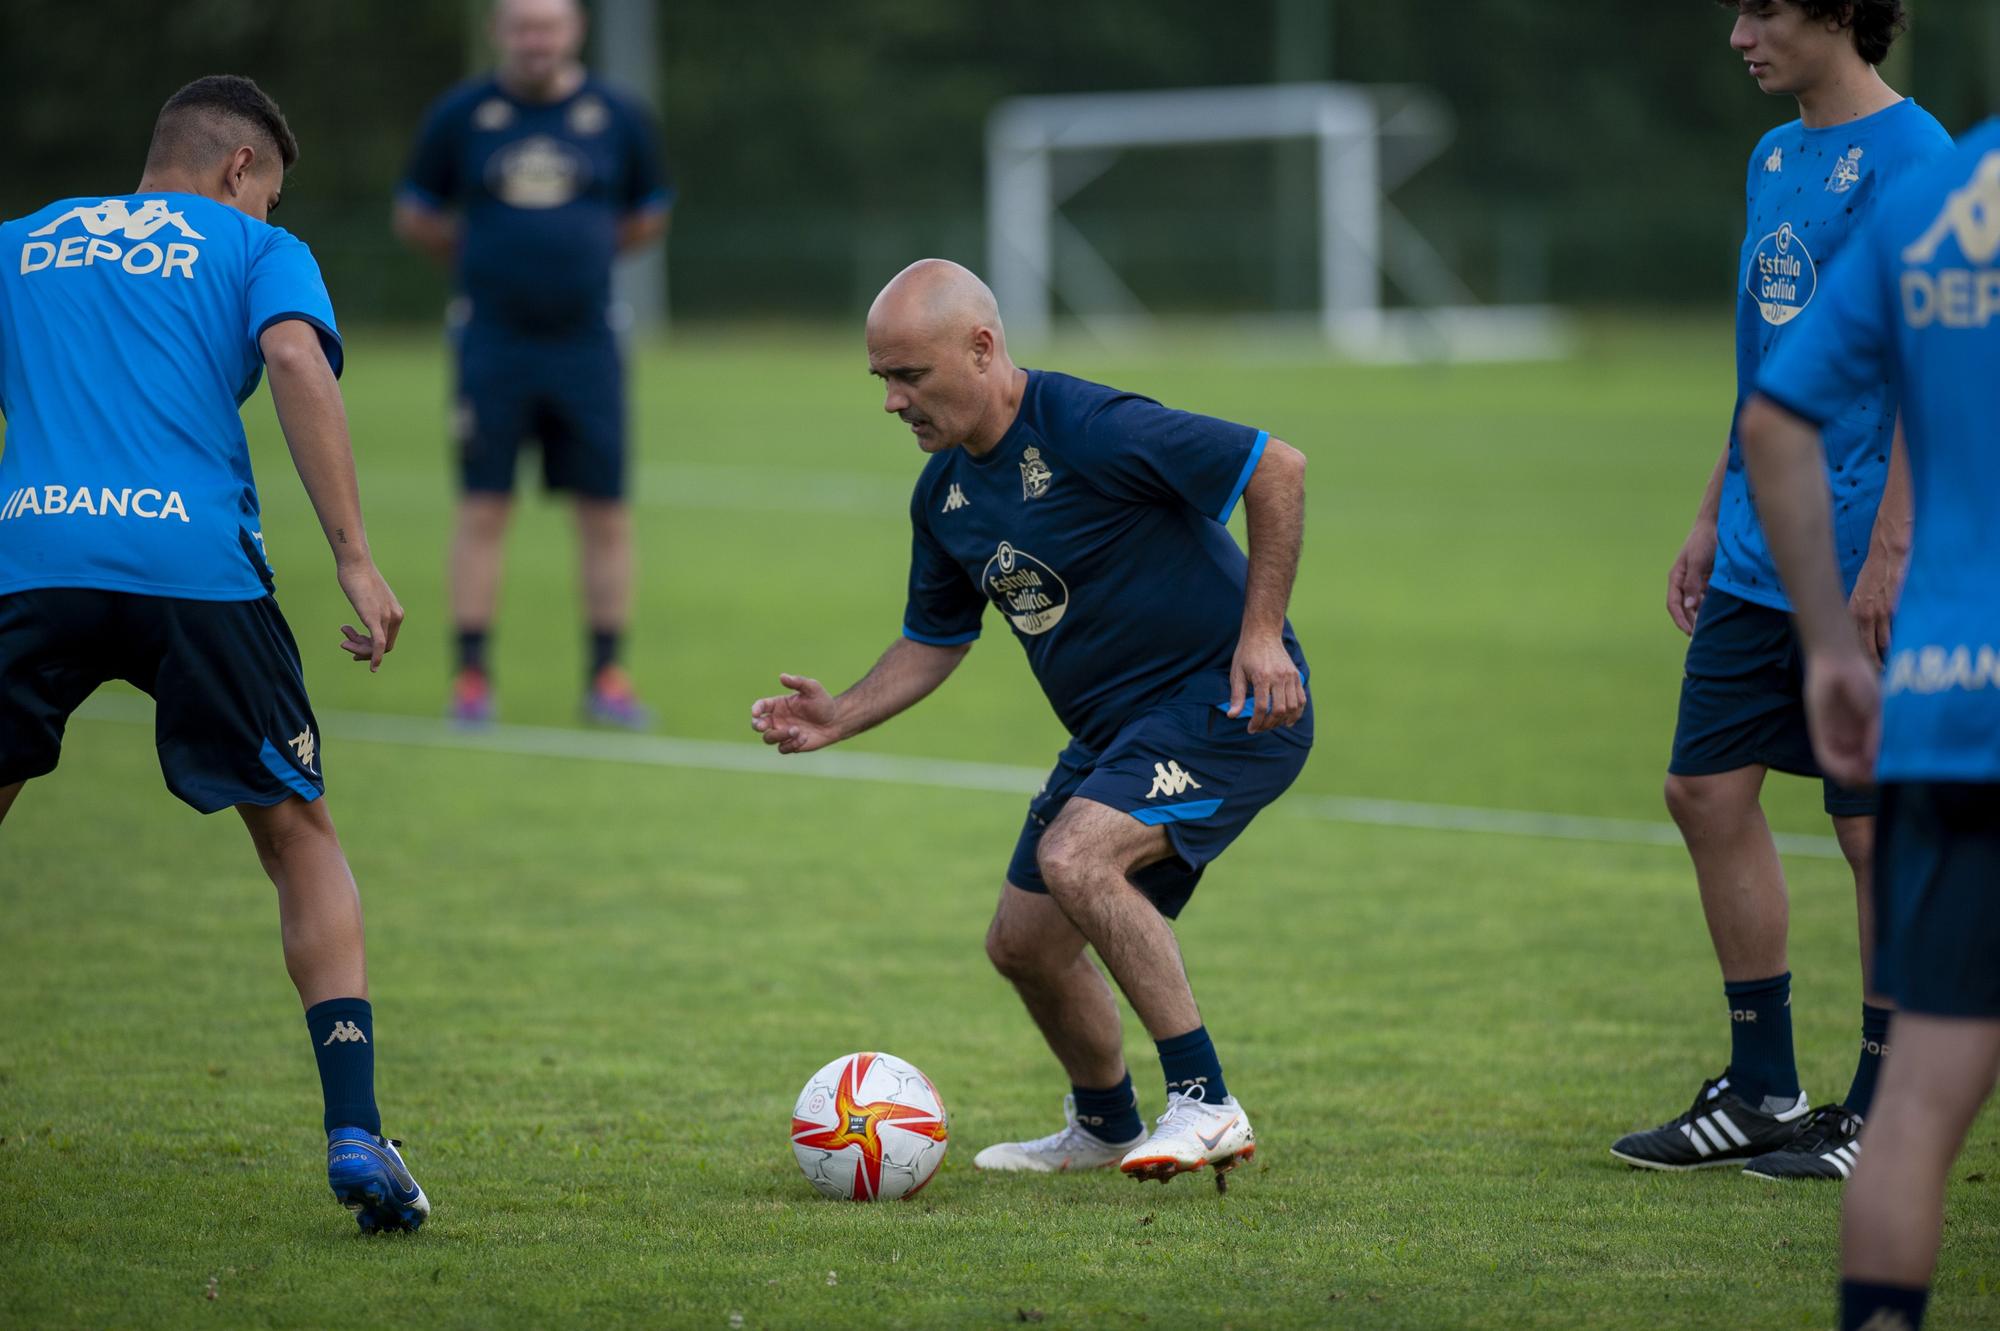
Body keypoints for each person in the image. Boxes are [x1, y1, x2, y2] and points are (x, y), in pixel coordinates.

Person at [750, 260, 1311, 1185]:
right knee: (1025, 944)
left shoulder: (1090, 427)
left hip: (1228, 705)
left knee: (1077, 856)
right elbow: (934, 638)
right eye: (880, 379)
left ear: (981, 348)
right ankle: (1104, 1123)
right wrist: (840, 712)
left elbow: (1275, 467)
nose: (892, 401)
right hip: (1117, 734)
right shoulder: (943, 497)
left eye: (909, 376)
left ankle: (1206, 1102)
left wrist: (1262, 637)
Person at [0, 76, 428, 1233]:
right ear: (240, 169)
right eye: (274, 194)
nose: (273, 215)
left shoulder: (23, 244)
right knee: (297, 834)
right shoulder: (249, 246)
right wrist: (351, 555)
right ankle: (354, 1130)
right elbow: (294, 359)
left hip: (33, 558)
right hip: (196, 571)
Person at [1611, 0, 1950, 1179]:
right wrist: (1709, 511)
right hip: (1761, 551)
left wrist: (1895, 552)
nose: (1736, 34)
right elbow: (1768, 357)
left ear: (1839, 14)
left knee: (1870, 831)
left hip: (1864, 558)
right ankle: (1761, 1085)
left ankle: (1884, 1105)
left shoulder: (1920, 160)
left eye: (1760, 10)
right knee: (1701, 791)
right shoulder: (1770, 153)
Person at [1739, 114, 2000, 1331]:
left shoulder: (1937, 199)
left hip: (1949, 702)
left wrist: (1831, 651)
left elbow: (1773, 415)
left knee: (1917, 1107)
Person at [394, 0, 672, 728]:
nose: (536, 41)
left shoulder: (618, 114)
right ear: (498, 32)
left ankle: (608, 676)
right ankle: (471, 679)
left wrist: (578, 257)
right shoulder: (461, 115)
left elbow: (649, 211)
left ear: (574, 29)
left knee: (605, 513)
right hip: (493, 343)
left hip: (588, 343)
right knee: (484, 505)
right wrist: (487, 261)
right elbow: (416, 212)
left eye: (548, 26)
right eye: (522, 26)